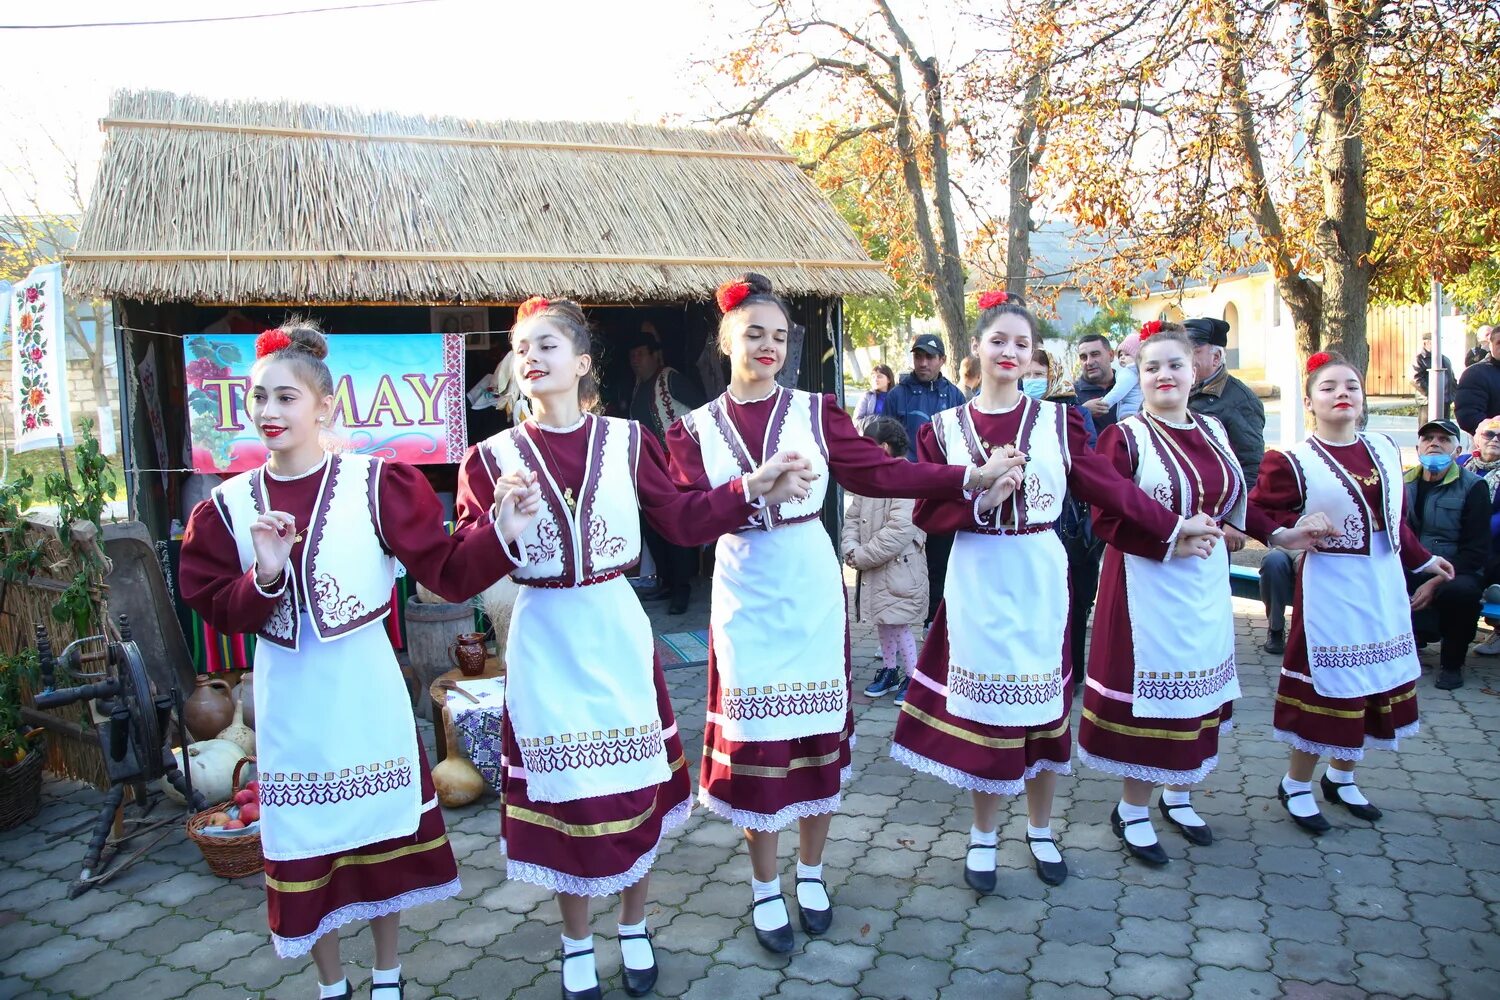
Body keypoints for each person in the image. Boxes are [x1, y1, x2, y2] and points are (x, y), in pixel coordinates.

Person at [454, 296, 810, 1000]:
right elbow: (457, 571)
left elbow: (680, 520)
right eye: (521, 347)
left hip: (614, 629)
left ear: (582, 363)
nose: (531, 357)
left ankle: (635, 927)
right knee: (572, 800)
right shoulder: (490, 460)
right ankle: (576, 940)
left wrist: (747, 489)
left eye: (547, 345)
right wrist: (498, 529)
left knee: (629, 786)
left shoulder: (625, 440)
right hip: (546, 635)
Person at [180, 319, 536, 1000]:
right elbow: (217, 605)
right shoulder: (228, 506)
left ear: (324, 406)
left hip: (365, 685)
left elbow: (446, 568)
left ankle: (387, 974)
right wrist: (265, 574)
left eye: (286, 398)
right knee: (307, 836)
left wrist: (502, 533)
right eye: (258, 399)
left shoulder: (375, 484)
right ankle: (330, 983)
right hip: (289, 692)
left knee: (377, 834)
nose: (269, 412)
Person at [666, 274, 1019, 954]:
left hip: (808, 580)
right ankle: (765, 886)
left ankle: (812, 872)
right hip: (746, 588)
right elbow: (680, 524)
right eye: (753, 334)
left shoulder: (814, 410)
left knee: (815, 737)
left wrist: (964, 477)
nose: (767, 346)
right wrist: (745, 490)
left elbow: (878, 472)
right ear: (725, 340)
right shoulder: (693, 430)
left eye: (778, 336)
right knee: (757, 746)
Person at [889, 289, 1222, 894]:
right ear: (978, 349)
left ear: (1034, 354)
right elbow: (925, 514)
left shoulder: (1058, 420)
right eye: (999, 341)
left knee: (1044, 709)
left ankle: (1040, 829)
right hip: (978, 575)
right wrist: (977, 500)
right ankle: (984, 834)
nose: (1010, 352)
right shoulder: (942, 429)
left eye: (1022, 343)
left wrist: (1172, 526)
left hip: (1041, 572)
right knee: (989, 714)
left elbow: (1108, 488)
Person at [1079, 324, 1326, 865]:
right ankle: (1132, 809)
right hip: (1145, 585)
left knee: (1197, 690)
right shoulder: (1123, 437)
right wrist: (1170, 537)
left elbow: (1237, 502)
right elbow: (1105, 518)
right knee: (1152, 697)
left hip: (1205, 583)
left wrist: (1280, 534)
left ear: (1196, 370)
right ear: (1137, 377)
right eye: (1151, 368)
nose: (1164, 375)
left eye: (1174, 365)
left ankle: (1180, 792)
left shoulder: (1213, 428)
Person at [1250, 351, 1455, 833]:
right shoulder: (1292, 460)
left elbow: (1394, 521)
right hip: (1332, 585)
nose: (1342, 393)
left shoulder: (1383, 447)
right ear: (1309, 402)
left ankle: (1342, 776)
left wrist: (1422, 560)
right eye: (1328, 388)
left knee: (1374, 682)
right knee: (1328, 685)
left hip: (1381, 582)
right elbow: (1256, 514)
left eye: (1351, 386)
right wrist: (1293, 528)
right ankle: (1296, 783)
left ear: (1363, 400)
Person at [883, 332, 969, 628]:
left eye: (929, 357)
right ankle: (899, 625)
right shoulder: (897, 394)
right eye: (918, 356)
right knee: (903, 559)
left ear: (942, 360)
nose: (923, 362)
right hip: (907, 489)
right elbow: (887, 442)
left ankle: (934, 620)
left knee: (939, 559)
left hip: (943, 490)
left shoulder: (955, 395)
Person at [845, 417, 928, 703]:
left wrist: (863, 555)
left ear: (882, 447)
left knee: (900, 623)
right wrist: (850, 548)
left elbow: (900, 529)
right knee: (884, 621)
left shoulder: (906, 477)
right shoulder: (869, 479)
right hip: (877, 568)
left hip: (899, 569)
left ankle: (913, 676)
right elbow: (853, 517)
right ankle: (890, 670)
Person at [626, 323, 706, 615]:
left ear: (653, 356)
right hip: (649, 467)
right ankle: (667, 582)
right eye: (632, 355)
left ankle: (681, 590)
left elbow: (705, 410)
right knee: (654, 529)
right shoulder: (638, 388)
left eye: (639, 354)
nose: (635, 359)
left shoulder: (670, 379)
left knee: (675, 527)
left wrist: (689, 448)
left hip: (676, 465)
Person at [1404, 419, 1489, 690]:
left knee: (1461, 592)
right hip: (1413, 564)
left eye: (1443, 439)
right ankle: (1395, 653)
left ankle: (1452, 664)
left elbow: (1475, 552)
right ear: (1418, 447)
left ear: (1457, 450)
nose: (1434, 444)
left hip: (1455, 568)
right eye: (1428, 438)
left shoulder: (1474, 487)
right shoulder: (1401, 483)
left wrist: (1435, 580)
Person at [1184, 316, 1266, 487]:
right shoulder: (1178, 388)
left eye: (1192, 351)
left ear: (1216, 357)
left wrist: (1236, 512)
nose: (1183, 359)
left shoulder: (1242, 401)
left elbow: (1251, 468)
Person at [1458, 415, 1500, 654]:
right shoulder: (1461, 464)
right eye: (1489, 434)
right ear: (1476, 438)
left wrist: (1476, 529)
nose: (1495, 440)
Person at [1455, 324, 1500, 434]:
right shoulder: (1476, 374)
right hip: (1490, 445)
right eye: (1499, 343)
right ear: (1490, 345)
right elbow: (1468, 416)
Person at [1075, 334, 1120, 428]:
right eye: (1083, 357)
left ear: (1111, 355)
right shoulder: (1070, 394)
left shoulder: (1130, 386)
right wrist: (1083, 412)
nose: (1089, 362)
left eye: (1095, 354)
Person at [1098, 331, 1144, 419]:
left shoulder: (1128, 372)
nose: (1122, 357)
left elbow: (1117, 392)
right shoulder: (1139, 372)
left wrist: (1103, 404)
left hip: (1129, 413)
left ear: (1138, 357)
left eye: (1127, 354)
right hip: (1138, 411)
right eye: (1121, 354)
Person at [1413, 333, 1459, 415]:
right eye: (1435, 342)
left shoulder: (1445, 359)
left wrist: (1452, 395)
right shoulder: (1419, 359)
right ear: (1426, 343)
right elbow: (1415, 379)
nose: (1439, 345)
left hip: (1445, 401)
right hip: (1428, 402)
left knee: (1443, 426)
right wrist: (1431, 394)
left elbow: (1452, 378)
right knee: (1428, 427)